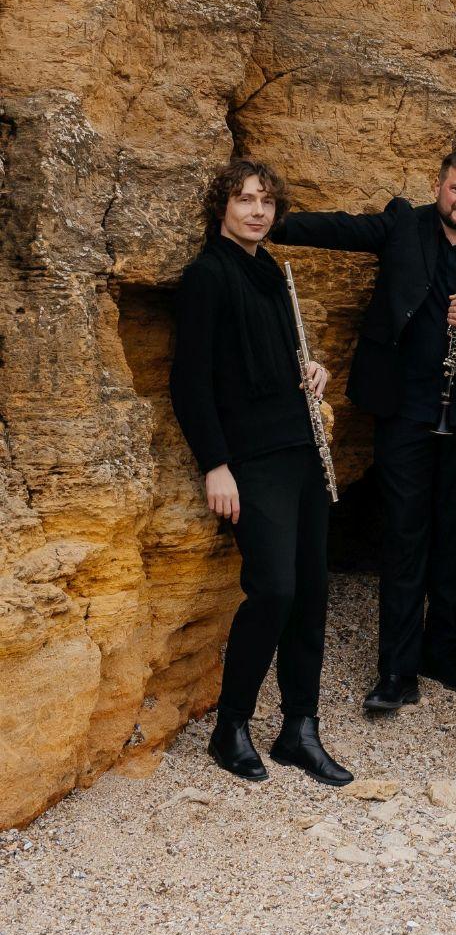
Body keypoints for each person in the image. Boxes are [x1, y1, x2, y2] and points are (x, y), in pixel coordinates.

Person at [271, 149, 456, 712]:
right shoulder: (402, 226)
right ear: (439, 186)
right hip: (405, 413)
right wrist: (275, 223)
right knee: (405, 536)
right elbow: (343, 229)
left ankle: (446, 655)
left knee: (453, 537)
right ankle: (397, 671)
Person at [171, 159, 352, 786]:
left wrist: (313, 370)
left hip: (301, 448)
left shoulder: (273, 272)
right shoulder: (207, 276)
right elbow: (189, 383)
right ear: (221, 205)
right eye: (245, 199)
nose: (257, 211)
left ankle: (300, 728)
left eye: (266, 202)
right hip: (251, 459)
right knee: (274, 589)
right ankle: (231, 726)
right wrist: (215, 466)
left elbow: (283, 360)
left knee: (310, 594)